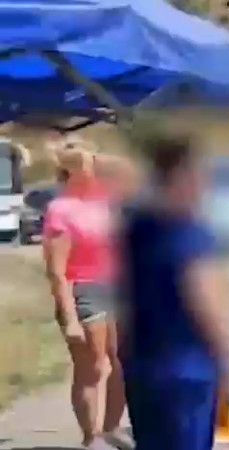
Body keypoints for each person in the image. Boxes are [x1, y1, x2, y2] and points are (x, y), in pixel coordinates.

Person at [118, 133, 229, 450]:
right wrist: (226, 361)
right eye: (202, 174)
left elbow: (126, 296)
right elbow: (204, 303)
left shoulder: (137, 227)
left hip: (143, 365)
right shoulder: (189, 232)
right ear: (185, 175)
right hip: (187, 370)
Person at [42, 137, 132, 450]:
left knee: (123, 363)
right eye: (85, 164)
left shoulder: (106, 200)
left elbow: (129, 171)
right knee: (92, 367)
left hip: (117, 286)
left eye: (93, 162)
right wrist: (69, 319)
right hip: (82, 290)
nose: (93, 168)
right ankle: (90, 438)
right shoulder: (60, 209)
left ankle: (111, 428)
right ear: (70, 171)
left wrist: (94, 157)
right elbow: (56, 271)